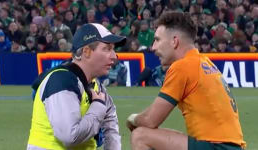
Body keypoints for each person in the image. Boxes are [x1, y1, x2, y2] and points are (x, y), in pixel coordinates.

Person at [126, 11, 246, 150]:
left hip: (218, 147)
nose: (153, 47)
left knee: (140, 135)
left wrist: (134, 119)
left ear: (174, 41)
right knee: (169, 136)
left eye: (157, 40)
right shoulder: (205, 63)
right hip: (229, 146)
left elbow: (150, 120)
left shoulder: (182, 66)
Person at [27, 23, 126, 150]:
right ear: (86, 51)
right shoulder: (61, 81)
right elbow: (69, 136)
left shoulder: (96, 86)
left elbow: (111, 130)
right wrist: (98, 106)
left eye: (113, 49)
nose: (114, 56)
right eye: (107, 48)